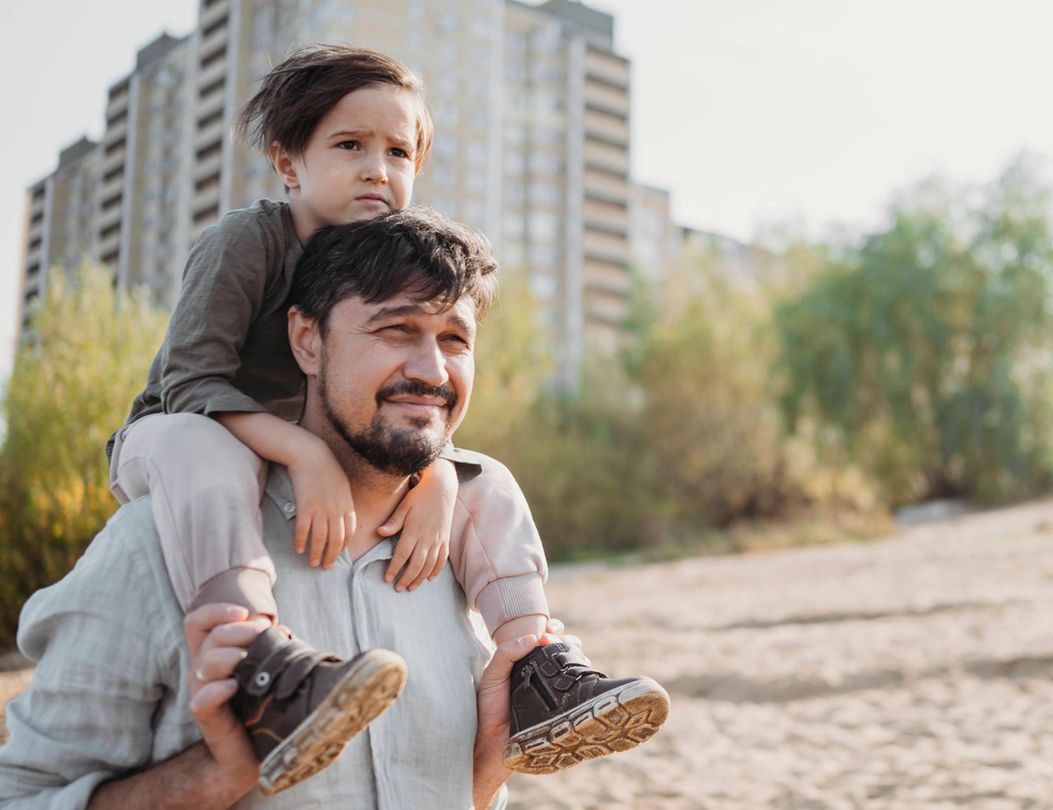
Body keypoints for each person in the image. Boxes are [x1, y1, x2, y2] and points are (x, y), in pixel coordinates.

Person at [100, 44, 667, 790]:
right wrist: (306, 458)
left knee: (485, 477)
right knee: (206, 450)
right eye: (349, 145)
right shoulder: (248, 241)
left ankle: (536, 668)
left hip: (280, 442)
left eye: (400, 152)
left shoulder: (382, 260)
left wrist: (435, 476)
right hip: (175, 435)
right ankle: (257, 659)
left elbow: (416, 394)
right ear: (288, 160)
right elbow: (188, 381)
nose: (378, 169)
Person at [0, 208, 666, 808]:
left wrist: (487, 769)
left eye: (454, 340)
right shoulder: (157, 545)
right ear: (307, 342)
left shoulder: (472, 557)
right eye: (397, 329)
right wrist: (215, 777)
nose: (431, 369)